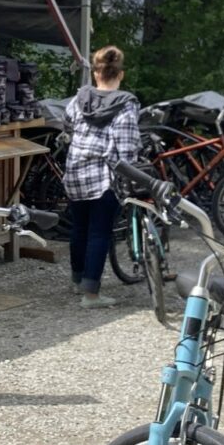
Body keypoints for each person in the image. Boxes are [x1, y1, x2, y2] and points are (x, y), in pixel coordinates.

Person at [62, 45, 140, 309]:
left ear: (96, 73)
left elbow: (68, 126)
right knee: (99, 233)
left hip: (75, 173)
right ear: (121, 74)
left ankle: (77, 281)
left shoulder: (78, 100)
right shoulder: (125, 106)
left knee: (79, 228)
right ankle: (91, 294)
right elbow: (126, 150)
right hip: (103, 178)